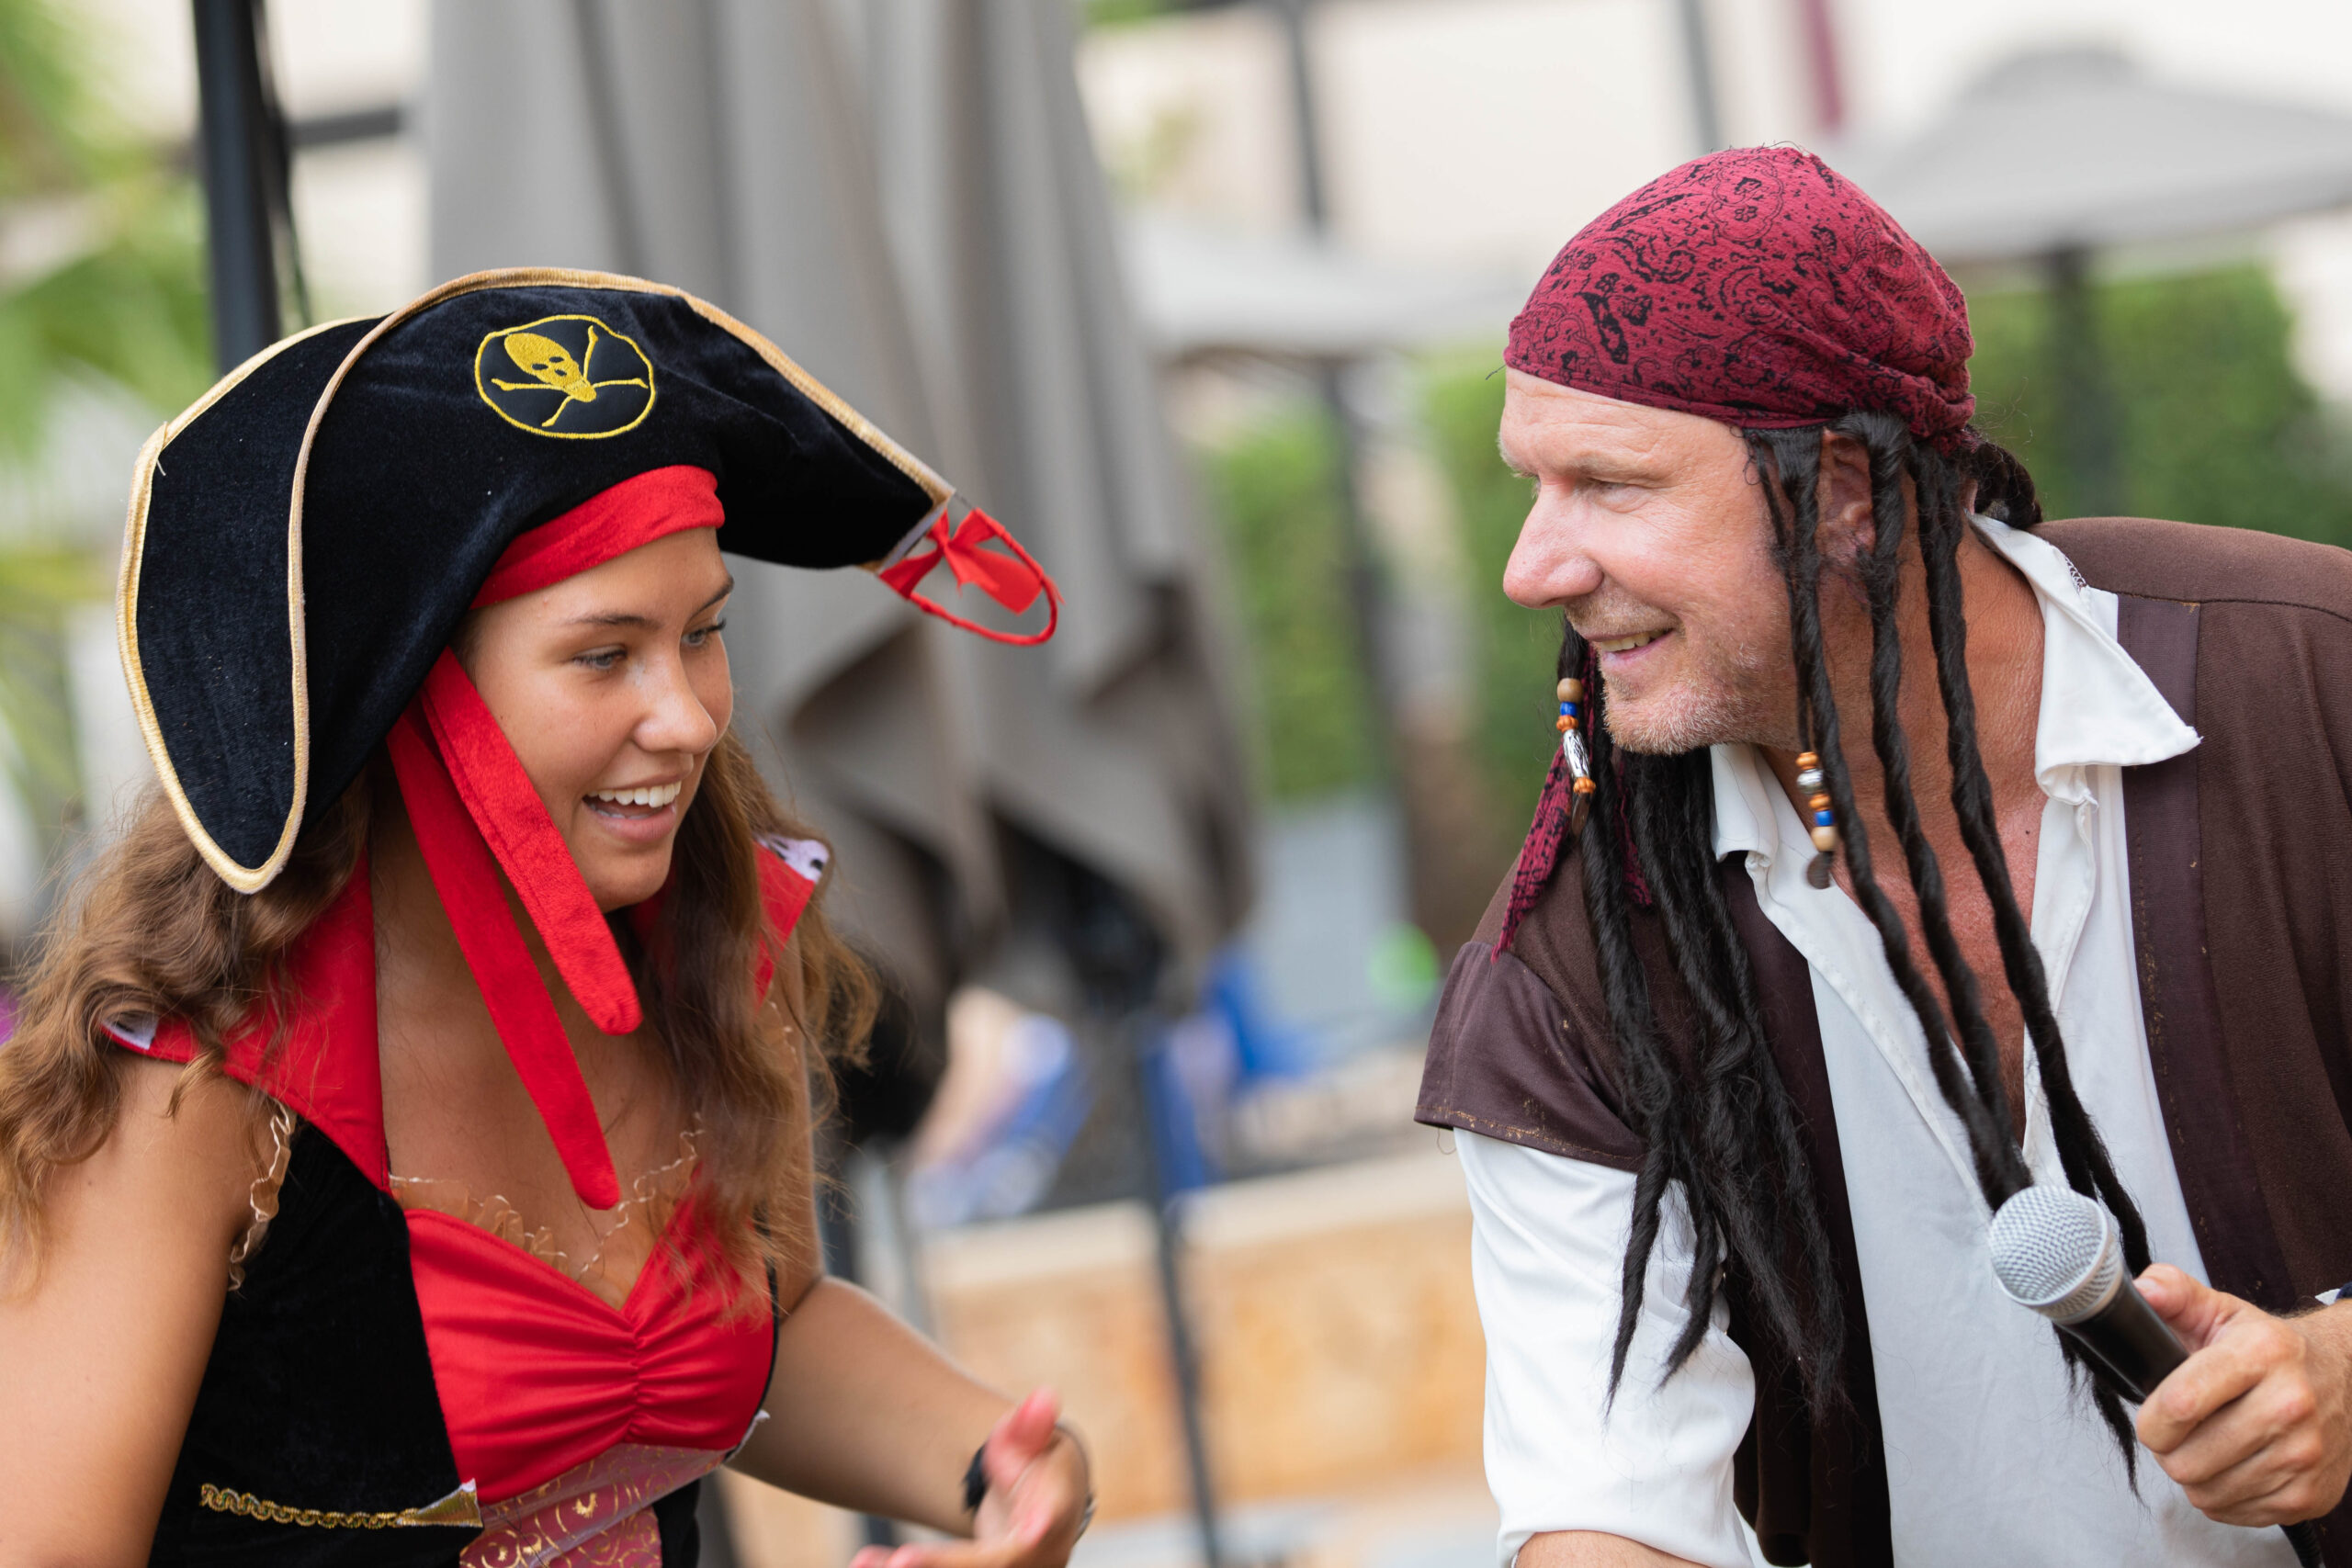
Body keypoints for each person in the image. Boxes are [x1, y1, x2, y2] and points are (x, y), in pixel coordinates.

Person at [0, 271, 1089, 1565]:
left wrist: (994, 1467)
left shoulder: (717, 955)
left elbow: (767, 1328)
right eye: (603, 653)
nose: (687, 714)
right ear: (409, 689)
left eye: (704, 634)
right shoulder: (191, 1096)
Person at [1416, 148, 2352, 1567]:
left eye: (1609, 485)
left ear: (1843, 494)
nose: (1534, 566)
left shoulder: (2313, 688)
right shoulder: (1578, 954)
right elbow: (1607, 1512)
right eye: (1531, 486)